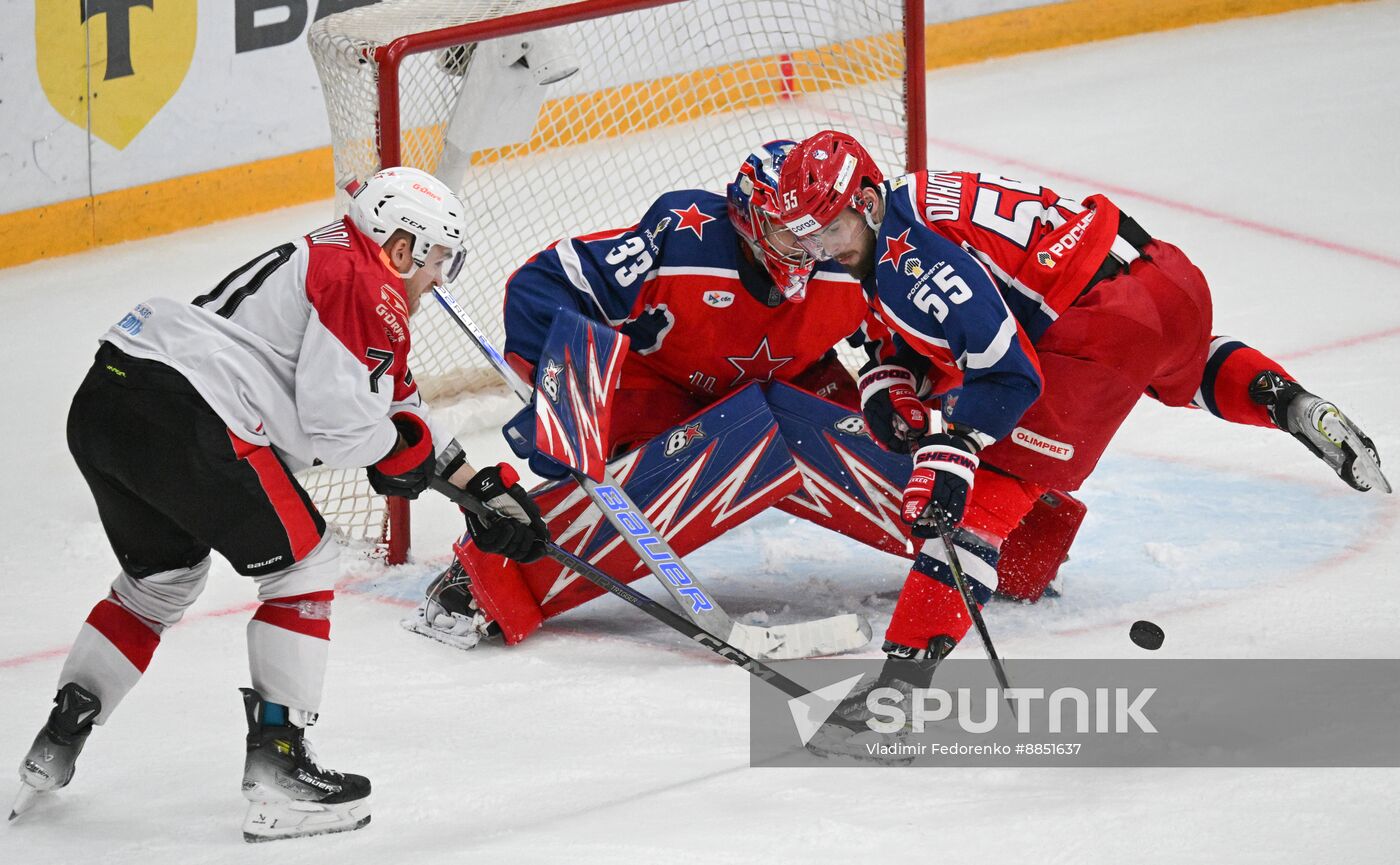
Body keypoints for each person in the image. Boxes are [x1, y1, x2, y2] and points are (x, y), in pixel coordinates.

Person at [772, 130, 1390, 727]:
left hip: (1100, 329)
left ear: (865, 202)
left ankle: (894, 702)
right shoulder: (913, 196)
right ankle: (1285, 401)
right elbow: (953, 309)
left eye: (832, 230)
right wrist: (891, 378)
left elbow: (1008, 376)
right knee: (1180, 363)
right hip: (1164, 279)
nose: (824, 250)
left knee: (980, 498)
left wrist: (954, 451)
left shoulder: (910, 261)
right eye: (810, 238)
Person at [12, 167, 550, 841]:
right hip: (191, 410)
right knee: (305, 565)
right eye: (438, 257)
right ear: (402, 245)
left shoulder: (337, 260)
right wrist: (400, 454)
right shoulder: (367, 283)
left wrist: (481, 488)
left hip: (111, 396)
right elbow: (340, 426)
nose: (439, 278)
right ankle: (280, 770)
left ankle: (58, 736)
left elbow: (396, 405)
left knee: (160, 583)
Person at [405, 140, 903, 650]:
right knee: (749, 434)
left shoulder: (851, 251)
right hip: (659, 395)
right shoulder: (687, 239)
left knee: (896, 447)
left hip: (791, 385)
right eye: (789, 228)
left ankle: (980, 544)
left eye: (817, 227)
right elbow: (546, 283)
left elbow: (909, 343)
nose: (808, 245)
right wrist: (560, 391)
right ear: (750, 218)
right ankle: (492, 577)